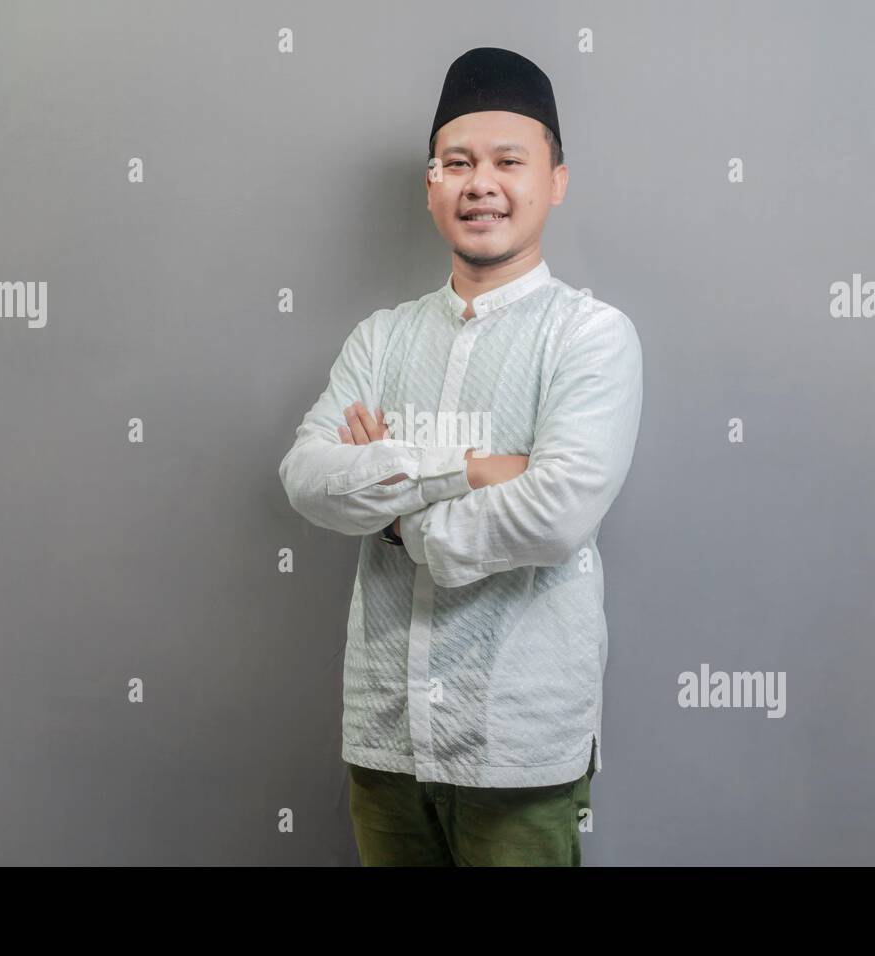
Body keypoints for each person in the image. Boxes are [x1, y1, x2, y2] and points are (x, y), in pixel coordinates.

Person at [278, 47, 643, 866]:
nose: (482, 182)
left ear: (555, 179)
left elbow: (558, 513)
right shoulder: (381, 337)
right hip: (385, 738)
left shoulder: (589, 335)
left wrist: (397, 513)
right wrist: (473, 468)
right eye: (458, 162)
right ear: (432, 184)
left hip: (519, 743)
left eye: (509, 161)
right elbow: (307, 479)